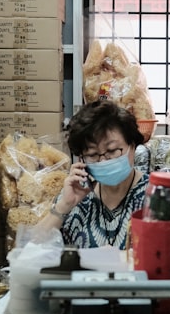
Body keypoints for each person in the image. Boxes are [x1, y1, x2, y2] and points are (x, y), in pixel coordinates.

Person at [38, 100, 148, 249]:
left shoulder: (155, 195)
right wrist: (64, 205)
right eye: (92, 154)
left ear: (132, 146)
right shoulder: (78, 193)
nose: (103, 161)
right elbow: (30, 250)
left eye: (112, 150)